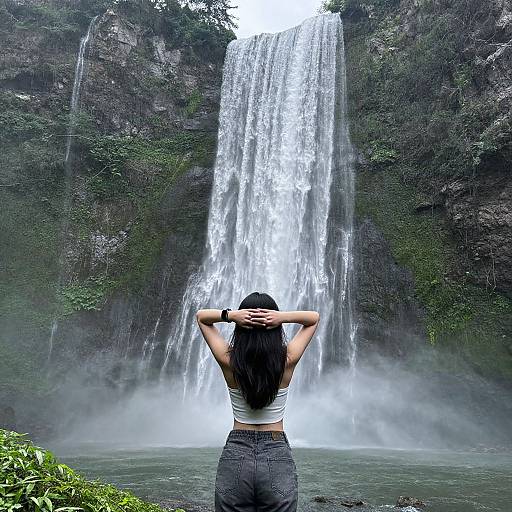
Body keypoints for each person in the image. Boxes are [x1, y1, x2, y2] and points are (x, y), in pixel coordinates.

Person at [196, 291, 320, 512]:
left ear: (240, 327)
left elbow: (201, 317)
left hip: (236, 452)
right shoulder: (287, 359)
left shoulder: (229, 359)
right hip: (276, 451)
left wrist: (232, 315)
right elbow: (313, 318)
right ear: (275, 327)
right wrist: (280, 318)